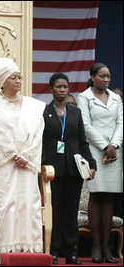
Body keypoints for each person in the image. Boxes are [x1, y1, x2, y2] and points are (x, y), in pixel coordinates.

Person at [0, 57, 46, 264]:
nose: (18, 81)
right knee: (7, 204)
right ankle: (7, 251)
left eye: (19, 77)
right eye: (13, 77)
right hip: (6, 164)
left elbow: (37, 133)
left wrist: (26, 155)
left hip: (28, 163)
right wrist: (13, 154)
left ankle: (30, 251)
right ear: (3, 81)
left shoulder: (33, 106)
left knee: (29, 204)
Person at [42, 73, 97, 265]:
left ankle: (71, 252)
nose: (62, 90)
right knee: (55, 211)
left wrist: (91, 164)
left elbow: (82, 142)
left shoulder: (76, 113)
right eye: (59, 87)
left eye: (65, 87)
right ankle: (53, 250)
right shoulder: (44, 112)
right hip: (52, 170)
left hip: (74, 169)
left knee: (70, 211)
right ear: (51, 89)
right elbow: (40, 143)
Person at [77, 63, 123, 264]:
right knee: (96, 195)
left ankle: (107, 246)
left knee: (110, 197)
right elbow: (85, 125)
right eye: (102, 76)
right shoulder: (84, 97)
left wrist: (114, 146)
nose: (106, 80)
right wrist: (105, 147)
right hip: (95, 150)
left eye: (108, 77)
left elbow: (121, 123)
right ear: (93, 77)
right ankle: (96, 245)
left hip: (115, 152)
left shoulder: (116, 98)